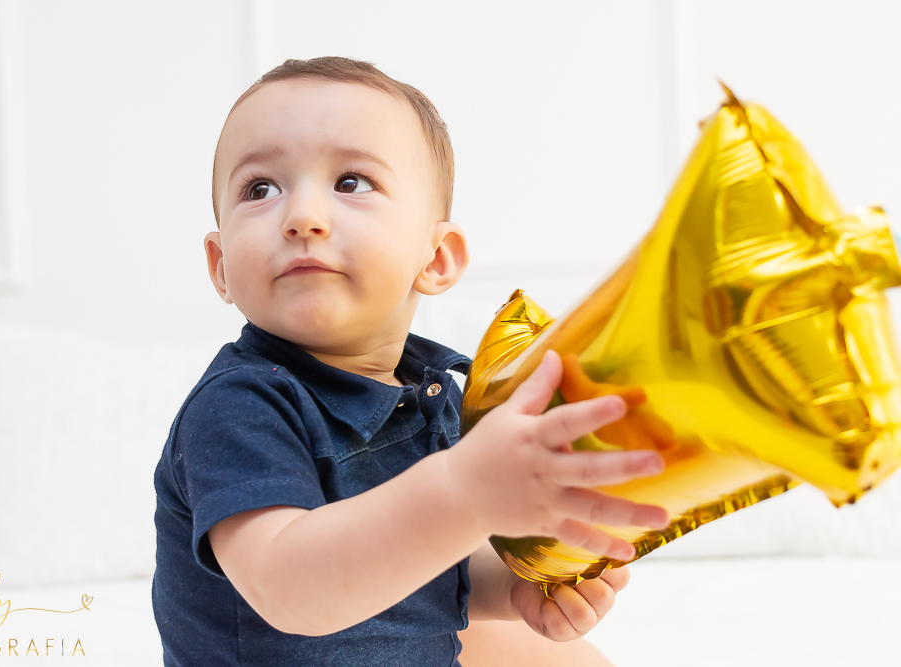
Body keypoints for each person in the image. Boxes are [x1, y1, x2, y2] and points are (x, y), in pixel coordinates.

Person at [152, 56, 670, 666]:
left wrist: (515, 589)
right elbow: (292, 589)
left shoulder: (433, 396)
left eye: (350, 182)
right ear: (220, 266)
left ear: (437, 257)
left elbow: (417, 572)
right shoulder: (240, 407)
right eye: (260, 189)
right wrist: (462, 491)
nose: (301, 218)